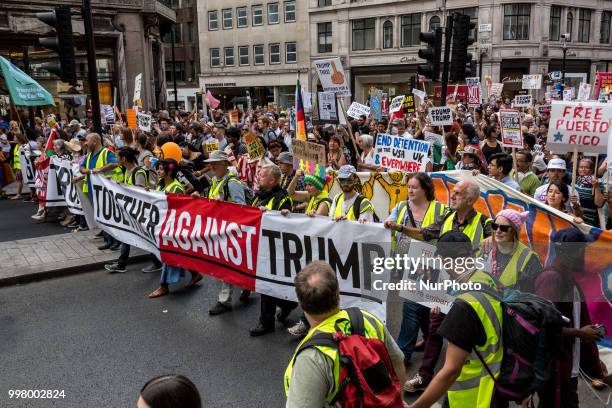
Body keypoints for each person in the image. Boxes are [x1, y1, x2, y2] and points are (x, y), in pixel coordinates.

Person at [284, 261, 406, 407]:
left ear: (300, 303)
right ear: (338, 293)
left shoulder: (312, 357)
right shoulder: (368, 320)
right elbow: (397, 363)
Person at [407, 231, 503, 408]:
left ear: (444, 260)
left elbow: (451, 371)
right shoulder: (487, 279)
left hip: (470, 396)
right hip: (495, 385)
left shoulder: (464, 305)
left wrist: (415, 407)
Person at [534, 228, 607, 408]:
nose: (585, 254)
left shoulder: (571, 282)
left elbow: (580, 324)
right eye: (581, 249)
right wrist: (580, 333)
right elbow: (542, 326)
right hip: (554, 373)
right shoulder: (551, 280)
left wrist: (595, 365)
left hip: (568, 373)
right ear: (568, 252)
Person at [384, 172, 448, 366]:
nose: (410, 190)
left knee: (412, 307)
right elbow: (387, 224)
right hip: (405, 263)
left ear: (425, 189)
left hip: (428, 266)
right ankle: (429, 338)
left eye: (414, 187)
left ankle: (403, 353)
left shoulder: (441, 210)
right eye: (408, 186)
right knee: (421, 305)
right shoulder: (401, 207)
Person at [249, 163, 295, 336]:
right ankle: (288, 304)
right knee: (265, 284)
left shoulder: (283, 199)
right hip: (259, 244)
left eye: (261, 175)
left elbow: (285, 224)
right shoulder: (258, 196)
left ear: (272, 180)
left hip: (275, 249)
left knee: (265, 284)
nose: (258, 177)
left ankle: (266, 322)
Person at [202, 150, 249, 316]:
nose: (212, 166)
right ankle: (247, 286)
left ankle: (225, 301)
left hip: (230, 231)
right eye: (211, 163)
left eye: (216, 163)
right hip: (219, 229)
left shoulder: (232, 183)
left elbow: (241, 207)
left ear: (225, 164)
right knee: (238, 263)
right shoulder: (216, 180)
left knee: (226, 266)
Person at [148, 159, 202, 298]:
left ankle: (163, 286)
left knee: (168, 255)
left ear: (169, 171)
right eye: (158, 168)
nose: (158, 171)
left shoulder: (176, 188)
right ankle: (195, 274)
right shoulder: (160, 185)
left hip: (172, 227)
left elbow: (178, 210)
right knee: (178, 253)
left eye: (161, 168)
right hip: (163, 225)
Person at [400, 179, 492, 254]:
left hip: (468, 275)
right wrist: (399, 228)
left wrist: (493, 239)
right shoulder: (447, 216)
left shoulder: (485, 223)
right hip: (442, 274)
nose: (452, 196)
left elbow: (502, 238)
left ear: (470, 200)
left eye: (457, 193)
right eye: (453, 192)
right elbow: (424, 234)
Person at [104, 147, 148, 273]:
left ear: (124, 159)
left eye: (118, 157)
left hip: (139, 212)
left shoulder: (138, 172)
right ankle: (121, 263)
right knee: (127, 236)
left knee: (145, 238)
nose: (117, 159)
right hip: (131, 211)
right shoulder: (127, 171)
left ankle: (157, 261)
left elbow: (138, 192)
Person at [75, 132, 121, 250]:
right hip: (93, 190)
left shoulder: (106, 153)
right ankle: (108, 239)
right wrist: (84, 170)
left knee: (109, 216)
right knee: (101, 216)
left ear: (95, 141)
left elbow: (115, 163)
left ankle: (116, 240)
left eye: (87, 140)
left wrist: (100, 169)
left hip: (105, 191)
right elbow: (82, 167)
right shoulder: (89, 155)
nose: (85, 143)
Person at [485, 209, 542, 292]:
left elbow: (531, 297)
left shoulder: (530, 259)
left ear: (515, 231)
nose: (498, 231)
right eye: (494, 226)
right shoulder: (485, 249)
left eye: (504, 228)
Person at [574, 157, 605, 227]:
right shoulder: (575, 180)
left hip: (589, 221)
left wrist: (596, 187)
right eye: (581, 167)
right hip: (574, 217)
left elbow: (599, 204)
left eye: (586, 167)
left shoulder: (598, 182)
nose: (583, 169)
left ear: (591, 170)